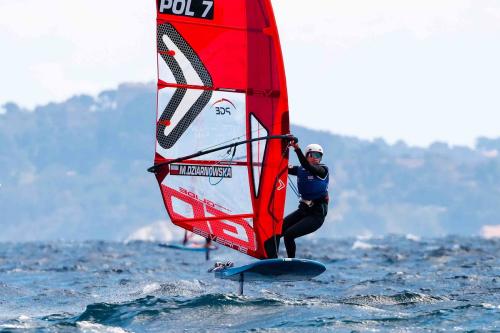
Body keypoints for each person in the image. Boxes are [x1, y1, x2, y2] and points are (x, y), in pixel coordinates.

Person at [278, 142, 330, 258]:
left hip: (316, 216)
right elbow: (281, 167)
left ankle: (291, 263)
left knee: (289, 235)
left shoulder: (323, 170)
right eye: (313, 155)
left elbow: (308, 166)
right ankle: (270, 260)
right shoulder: (300, 169)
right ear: (307, 155)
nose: (316, 158)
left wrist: (297, 149)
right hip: (303, 211)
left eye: (319, 156)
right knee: (276, 231)